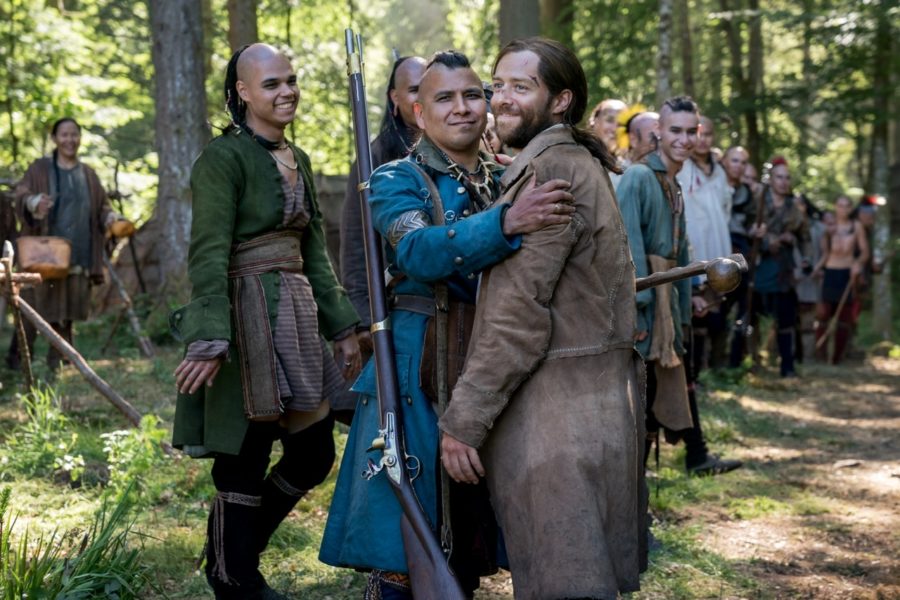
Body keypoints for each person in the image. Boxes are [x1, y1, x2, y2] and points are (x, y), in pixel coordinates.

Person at [320, 50, 574, 599]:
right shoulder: (395, 178)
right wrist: (506, 222)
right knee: (406, 539)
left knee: (470, 527)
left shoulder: (508, 175)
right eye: (444, 98)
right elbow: (418, 251)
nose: (462, 108)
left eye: (472, 95)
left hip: (489, 359)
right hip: (416, 369)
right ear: (418, 110)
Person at [439, 38, 645, 599]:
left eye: (521, 87)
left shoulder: (551, 171)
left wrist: (464, 421)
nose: (502, 99)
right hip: (589, 409)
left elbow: (516, 316)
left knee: (566, 584)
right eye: (498, 85)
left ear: (560, 100)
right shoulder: (572, 160)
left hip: (556, 422)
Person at [169, 44, 362, 600]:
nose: (286, 92)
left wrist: (342, 325)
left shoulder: (297, 157)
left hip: (296, 311)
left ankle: (235, 552)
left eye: (291, 81)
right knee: (245, 454)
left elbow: (314, 251)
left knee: (314, 453)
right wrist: (208, 335)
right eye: (272, 84)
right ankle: (235, 580)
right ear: (243, 93)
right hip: (244, 311)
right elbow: (208, 249)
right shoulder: (222, 158)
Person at [617, 96, 742, 477]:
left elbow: (680, 253)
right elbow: (625, 247)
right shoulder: (638, 177)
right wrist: (638, 309)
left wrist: (685, 307)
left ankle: (643, 493)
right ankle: (629, 500)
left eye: (691, 132)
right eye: (675, 130)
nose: (684, 140)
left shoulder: (674, 183)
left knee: (657, 395)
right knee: (638, 405)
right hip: (645, 308)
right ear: (658, 131)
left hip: (667, 305)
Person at [337, 55, 426, 420]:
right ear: (395, 97)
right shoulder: (374, 157)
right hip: (396, 307)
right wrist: (363, 320)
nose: (423, 98)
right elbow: (356, 246)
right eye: (414, 89)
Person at [8, 117, 129, 371]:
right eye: (64, 135)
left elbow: (102, 207)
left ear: (80, 138)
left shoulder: (88, 174)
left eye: (74, 134)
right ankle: (18, 363)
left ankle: (59, 362)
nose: (69, 140)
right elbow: (21, 193)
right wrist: (34, 202)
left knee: (67, 310)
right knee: (31, 307)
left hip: (78, 253)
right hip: (44, 255)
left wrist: (111, 218)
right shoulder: (40, 168)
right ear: (54, 138)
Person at [677, 114, 732, 370]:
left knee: (715, 309)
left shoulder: (719, 171)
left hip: (717, 246)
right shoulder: (682, 167)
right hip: (692, 248)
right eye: (698, 133)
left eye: (708, 134)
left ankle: (713, 366)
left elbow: (725, 209)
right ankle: (693, 375)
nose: (703, 140)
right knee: (693, 313)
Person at [749, 157, 809, 377]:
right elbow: (742, 225)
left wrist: (805, 259)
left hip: (783, 268)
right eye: (779, 177)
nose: (783, 182)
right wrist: (760, 236)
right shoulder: (757, 201)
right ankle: (746, 363)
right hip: (757, 266)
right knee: (750, 315)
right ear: (771, 179)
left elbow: (805, 237)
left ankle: (787, 367)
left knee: (786, 318)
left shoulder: (795, 208)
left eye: (787, 178)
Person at [813, 194, 868, 363]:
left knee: (844, 318)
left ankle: (837, 358)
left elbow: (865, 252)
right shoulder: (828, 227)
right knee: (823, 315)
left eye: (846, 206)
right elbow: (823, 253)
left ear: (851, 208)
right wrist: (817, 269)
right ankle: (821, 355)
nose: (843, 209)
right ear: (835, 207)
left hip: (847, 273)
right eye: (840, 205)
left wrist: (858, 264)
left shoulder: (856, 226)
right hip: (830, 271)